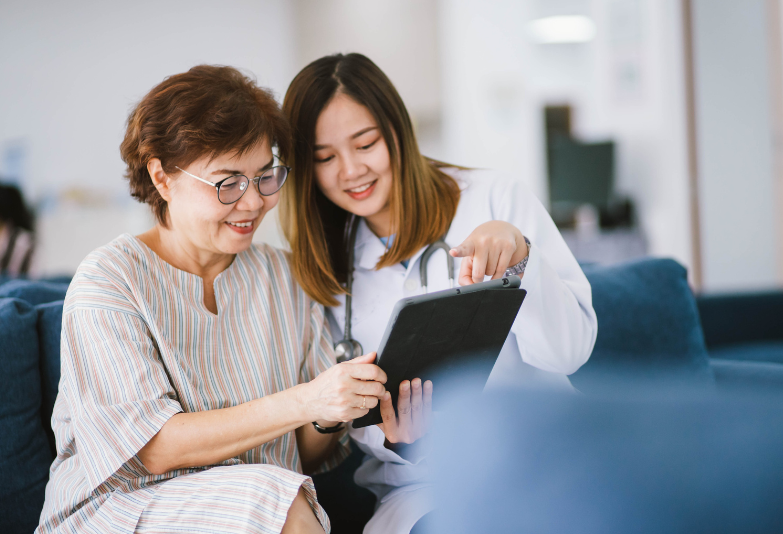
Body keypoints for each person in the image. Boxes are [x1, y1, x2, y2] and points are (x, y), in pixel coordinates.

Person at [36, 65, 389, 534]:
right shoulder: (109, 280)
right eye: (227, 182)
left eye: (265, 176)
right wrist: (306, 399)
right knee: (273, 499)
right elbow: (152, 448)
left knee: (275, 493)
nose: (253, 203)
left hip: (261, 502)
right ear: (162, 177)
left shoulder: (280, 276)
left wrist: (328, 413)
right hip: (121, 511)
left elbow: (302, 451)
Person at [280, 53, 599, 534]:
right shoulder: (323, 266)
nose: (350, 171)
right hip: (424, 489)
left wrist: (520, 255)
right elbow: (339, 422)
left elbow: (570, 352)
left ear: (396, 132)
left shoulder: (494, 197)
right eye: (324, 158)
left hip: (544, 451)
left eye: (365, 143)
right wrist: (405, 441)